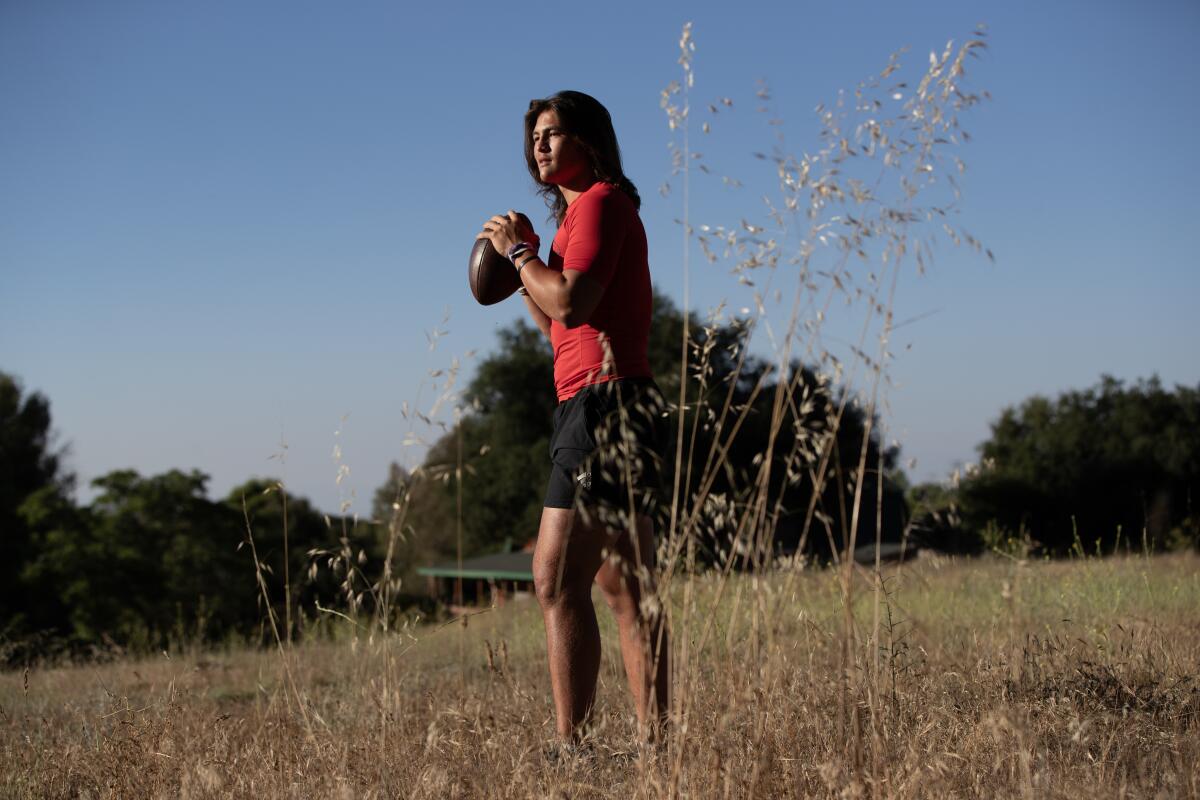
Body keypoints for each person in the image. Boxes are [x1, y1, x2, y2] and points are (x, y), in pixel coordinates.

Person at [476, 90, 670, 746]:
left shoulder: (599, 205)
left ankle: (572, 751)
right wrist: (526, 263)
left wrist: (520, 257)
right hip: (608, 401)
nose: (540, 145)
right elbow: (557, 324)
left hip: (603, 405)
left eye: (553, 133)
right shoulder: (585, 217)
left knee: (554, 580)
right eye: (534, 137)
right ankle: (655, 750)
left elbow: (574, 303)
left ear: (590, 140)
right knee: (624, 587)